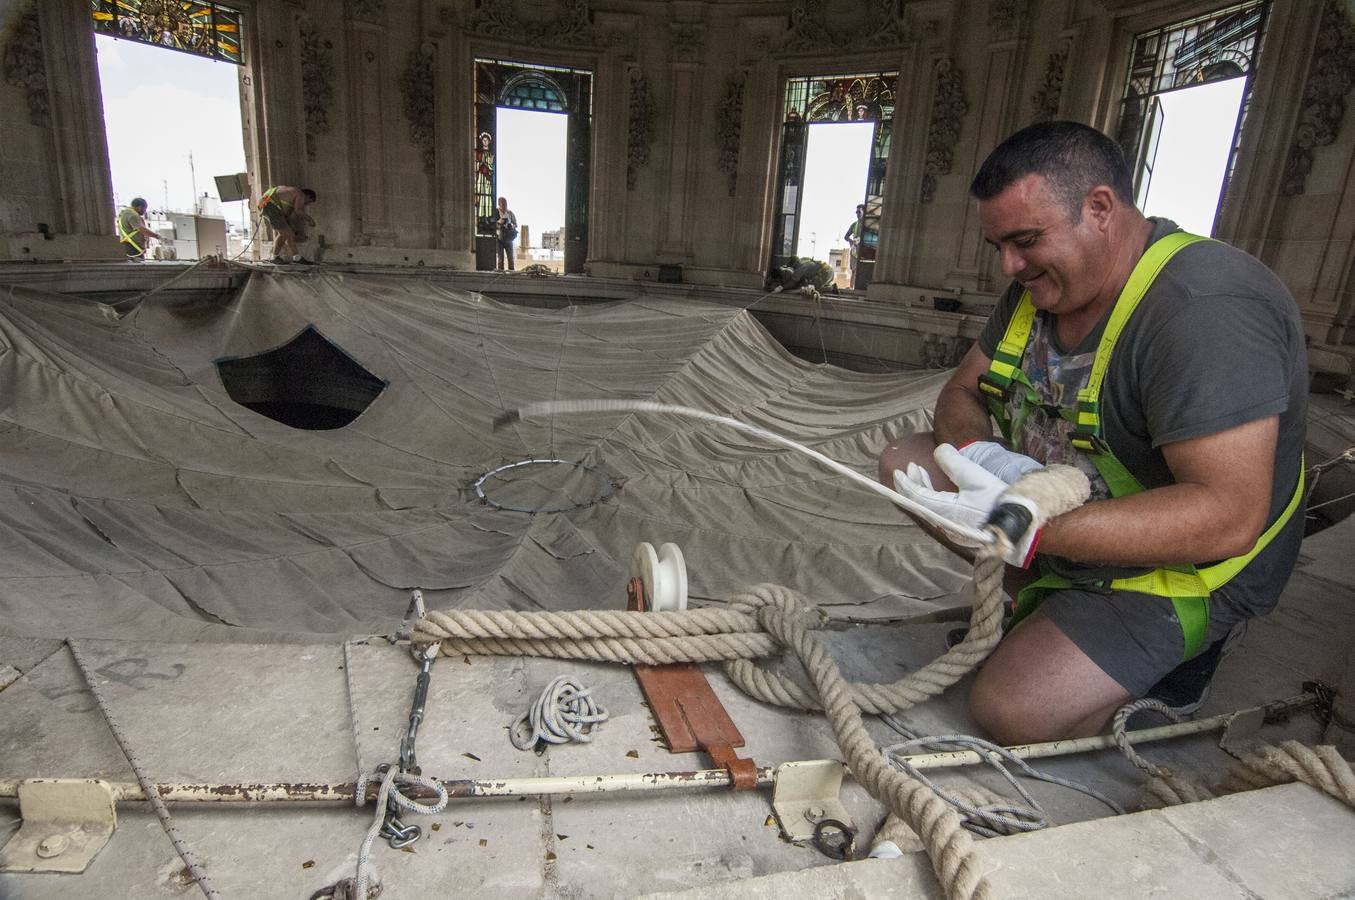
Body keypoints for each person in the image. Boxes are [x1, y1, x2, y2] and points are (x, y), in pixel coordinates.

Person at [876, 121, 1306, 745]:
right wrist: (984, 464)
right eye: (998, 244)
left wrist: (1023, 524)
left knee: (1011, 712)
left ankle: (1179, 655)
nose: (1009, 265)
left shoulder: (1206, 308)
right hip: (1062, 520)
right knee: (907, 463)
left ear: (1099, 208)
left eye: (1024, 241)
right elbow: (962, 391)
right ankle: (1057, 609)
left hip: (1184, 567)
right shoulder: (1039, 288)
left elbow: (1228, 517)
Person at [258, 185, 317, 265]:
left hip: (266, 203)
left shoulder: (290, 194)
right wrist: (309, 219)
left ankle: (275, 257)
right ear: (308, 196)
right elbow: (298, 211)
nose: (306, 204)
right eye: (309, 201)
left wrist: (293, 228)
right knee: (289, 234)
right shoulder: (300, 194)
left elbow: (288, 218)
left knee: (284, 234)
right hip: (270, 206)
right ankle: (297, 258)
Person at [495, 197, 518, 272]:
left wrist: (511, 226)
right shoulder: (495, 212)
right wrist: (499, 222)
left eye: (506, 204)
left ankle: (512, 274)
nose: (505, 206)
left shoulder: (510, 213)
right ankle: (500, 273)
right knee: (500, 258)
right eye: (503, 204)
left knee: (510, 257)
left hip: (509, 237)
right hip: (499, 237)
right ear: (499, 204)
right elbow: (492, 224)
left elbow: (515, 224)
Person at [844, 204, 866, 281]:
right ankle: (852, 286)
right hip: (855, 249)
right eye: (856, 212)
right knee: (854, 270)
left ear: (864, 212)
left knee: (862, 269)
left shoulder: (866, 224)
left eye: (859, 212)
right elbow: (846, 237)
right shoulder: (854, 225)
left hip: (864, 249)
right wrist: (851, 241)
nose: (857, 214)